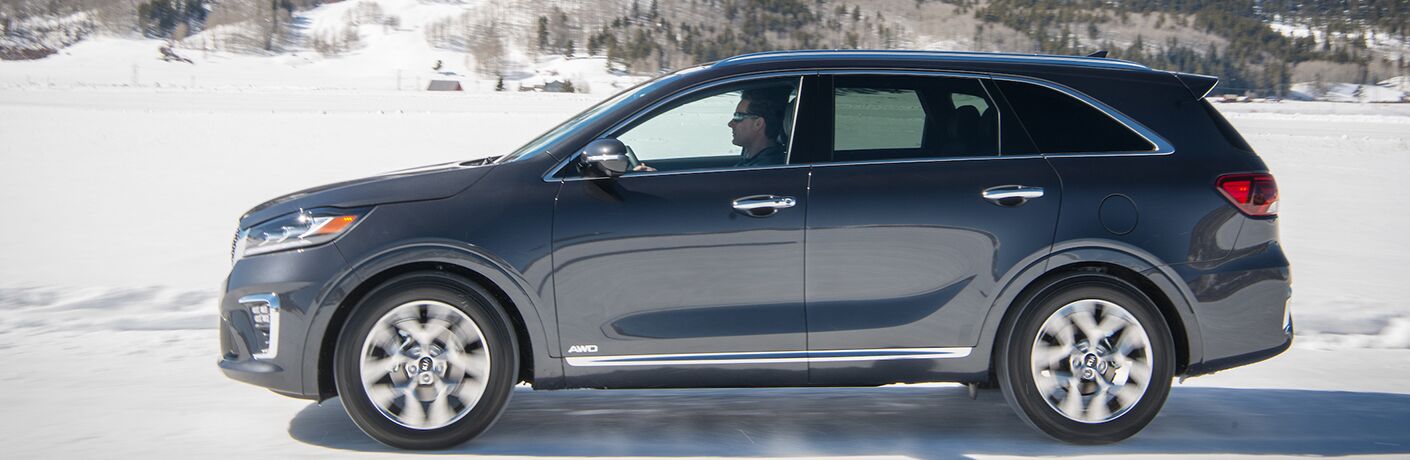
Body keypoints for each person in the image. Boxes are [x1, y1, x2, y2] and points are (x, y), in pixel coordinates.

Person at [634, 88, 789, 172]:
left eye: (738, 117)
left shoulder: (763, 170)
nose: (731, 123)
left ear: (758, 124)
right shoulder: (754, 162)